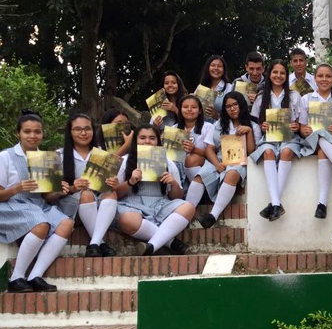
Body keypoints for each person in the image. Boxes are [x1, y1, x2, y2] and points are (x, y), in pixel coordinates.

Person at [1, 111, 74, 292]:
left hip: (37, 205)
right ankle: (16, 277)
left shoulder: (47, 160)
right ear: (18, 133)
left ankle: (35, 276)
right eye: (27, 131)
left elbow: (47, 197)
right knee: (41, 224)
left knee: (66, 223)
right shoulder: (5, 157)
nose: (32, 136)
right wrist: (16, 188)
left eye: (37, 132)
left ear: (42, 134)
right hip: (11, 204)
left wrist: (58, 191)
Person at [115, 125, 195, 256]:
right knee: (127, 220)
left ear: (158, 141)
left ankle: (152, 246)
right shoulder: (124, 161)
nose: (147, 141)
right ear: (135, 140)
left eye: (152, 138)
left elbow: (177, 197)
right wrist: (130, 182)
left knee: (189, 207)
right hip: (131, 205)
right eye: (142, 138)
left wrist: (173, 183)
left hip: (160, 204)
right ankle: (170, 242)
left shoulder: (168, 162)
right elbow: (115, 194)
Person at [196, 91, 261, 228]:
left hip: (240, 161)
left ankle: (213, 215)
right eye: (228, 106)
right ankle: (188, 211)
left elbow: (251, 152)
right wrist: (216, 164)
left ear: (241, 105)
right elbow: (209, 148)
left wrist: (248, 132)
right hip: (219, 159)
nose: (232, 108)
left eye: (235, 104)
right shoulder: (219, 124)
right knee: (200, 176)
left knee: (232, 173)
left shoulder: (253, 125)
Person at [298, 63, 332, 219]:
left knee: (323, 147)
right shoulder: (306, 99)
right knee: (320, 134)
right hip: (312, 142)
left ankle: (322, 204)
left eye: (328, 76)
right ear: (315, 78)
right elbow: (302, 127)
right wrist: (304, 130)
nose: (324, 79)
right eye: (320, 76)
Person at [250, 60, 304, 221]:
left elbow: (302, 121)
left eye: (282, 73)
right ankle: (276, 204)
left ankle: (274, 204)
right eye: (275, 72)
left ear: (286, 76)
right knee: (268, 152)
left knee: (287, 152)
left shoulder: (294, 95)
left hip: (290, 138)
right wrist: (262, 125)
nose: (278, 76)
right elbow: (255, 122)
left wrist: (296, 126)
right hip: (269, 139)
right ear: (269, 74)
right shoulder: (261, 97)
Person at [58, 114, 118, 257]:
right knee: (86, 194)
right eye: (77, 129)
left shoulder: (102, 155)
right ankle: (101, 243)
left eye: (87, 129)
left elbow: (109, 185)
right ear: (70, 132)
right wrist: (72, 187)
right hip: (72, 204)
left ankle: (94, 244)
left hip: (98, 205)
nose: (83, 133)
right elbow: (53, 192)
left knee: (111, 193)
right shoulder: (59, 155)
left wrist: (113, 183)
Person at [174, 95, 215, 206]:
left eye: (193, 107)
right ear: (180, 109)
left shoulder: (208, 127)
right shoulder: (173, 129)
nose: (189, 110)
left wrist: (194, 149)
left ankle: (200, 197)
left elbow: (212, 153)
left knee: (191, 158)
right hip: (179, 168)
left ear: (200, 110)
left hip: (203, 166)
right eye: (185, 107)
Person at [198, 55, 234, 123]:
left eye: (219, 66)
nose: (216, 68)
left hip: (220, 127)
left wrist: (217, 116)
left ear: (224, 70)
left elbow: (234, 112)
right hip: (201, 127)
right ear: (208, 68)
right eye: (213, 65)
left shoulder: (229, 88)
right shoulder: (201, 87)